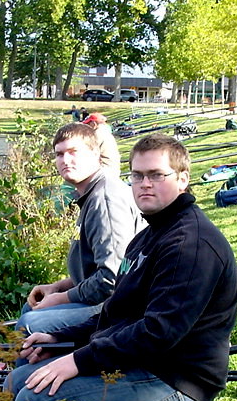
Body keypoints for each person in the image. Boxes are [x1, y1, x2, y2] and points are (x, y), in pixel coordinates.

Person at [6, 132, 237, 401]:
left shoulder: (191, 245)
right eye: (138, 175)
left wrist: (78, 360)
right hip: (143, 363)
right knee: (19, 379)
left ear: (183, 179)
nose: (145, 184)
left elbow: (157, 333)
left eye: (157, 175)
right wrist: (61, 339)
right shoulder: (149, 235)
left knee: (37, 400)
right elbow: (119, 313)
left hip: (174, 380)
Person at [18, 123, 144, 336]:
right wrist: (58, 287)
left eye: (74, 152)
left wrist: (62, 297)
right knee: (31, 306)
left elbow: (111, 279)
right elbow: (95, 270)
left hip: (120, 307)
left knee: (29, 323)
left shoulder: (104, 200)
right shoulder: (90, 194)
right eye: (59, 154)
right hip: (104, 298)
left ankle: (35, 370)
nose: (65, 161)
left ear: (95, 154)